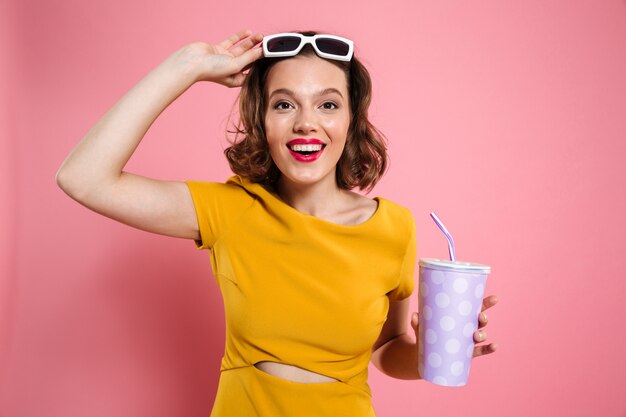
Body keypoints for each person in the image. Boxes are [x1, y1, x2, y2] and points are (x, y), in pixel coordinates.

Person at [56, 29, 498, 416]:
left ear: (351, 120)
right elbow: (83, 178)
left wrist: (431, 350)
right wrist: (185, 66)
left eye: (328, 104)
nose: (307, 123)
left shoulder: (395, 226)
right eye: (284, 104)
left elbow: (385, 351)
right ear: (262, 121)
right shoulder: (230, 210)